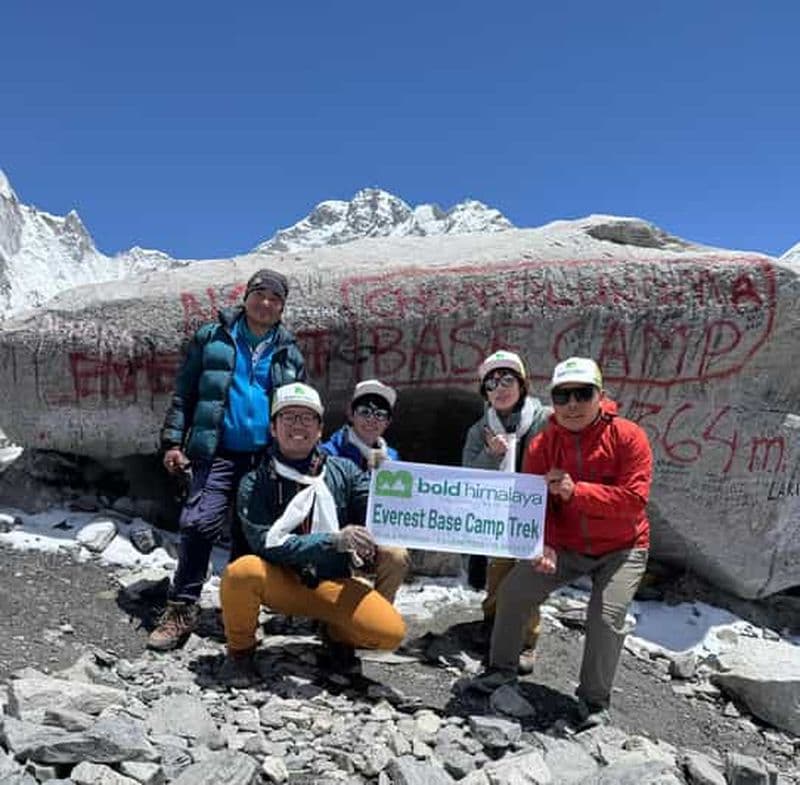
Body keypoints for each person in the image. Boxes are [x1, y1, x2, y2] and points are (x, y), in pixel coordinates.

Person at [478, 357, 652, 729]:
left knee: (606, 617)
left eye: (582, 394)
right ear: (552, 400)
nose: (572, 404)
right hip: (568, 544)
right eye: (562, 396)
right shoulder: (544, 442)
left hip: (622, 545)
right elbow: (534, 502)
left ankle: (593, 702)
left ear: (599, 395)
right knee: (514, 591)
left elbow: (634, 502)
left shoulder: (629, 436)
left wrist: (578, 492)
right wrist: (547, 543)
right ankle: (500, 672)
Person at [149, 268, 306, 651]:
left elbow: (297, 408)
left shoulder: (289, 352)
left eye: (275, 298)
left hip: (264, 458)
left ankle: (237, 615)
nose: (266, 303)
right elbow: (185, 393)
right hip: (216, 451)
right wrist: (173, 442)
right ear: (246, 295)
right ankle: (180, 609)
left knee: (249, 537)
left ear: (282, 306)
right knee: (200, 525)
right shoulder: (213, 338)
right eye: (260, 294)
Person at [218, 382, 406, 686]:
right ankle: (240, 652)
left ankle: (336, 637)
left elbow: (374, 510)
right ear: (273, 428)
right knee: (242, 572)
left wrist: (388, 483)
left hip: (332, 581)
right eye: (288, 417)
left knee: (390, 632)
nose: (298, 425)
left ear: (319, 429)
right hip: (281, 581)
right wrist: (333, 540)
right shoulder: (255, 482)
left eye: (307, 418)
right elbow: (266, 544)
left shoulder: (343, 470)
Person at [461, 350, 551, 673]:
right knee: (497, 571)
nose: (500, 388)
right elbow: (466, 476)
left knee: (527, 574)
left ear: (523, 384)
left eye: (507, 379)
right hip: (497, 514)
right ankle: (493, 623)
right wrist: (490, 454)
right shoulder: (479, 430)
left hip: (535, 514)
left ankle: (527, 641)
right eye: (491, 382)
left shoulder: (545, 420)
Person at [320, 379, 410, 602]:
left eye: (380, 414)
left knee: (397, 556)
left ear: (388, 422)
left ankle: (379, 615)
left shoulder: (393, 458)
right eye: (365, 411)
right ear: (351, 414)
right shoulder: (328, 452)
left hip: (376, 536)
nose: (372, 419)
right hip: (337, 536)